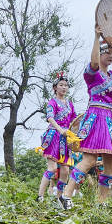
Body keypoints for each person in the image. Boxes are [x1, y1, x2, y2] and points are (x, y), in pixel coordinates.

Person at [60, 24, 112, 209]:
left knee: (111, 164)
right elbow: (93, 61)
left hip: (109, 120)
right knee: (89, 160)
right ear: (100, 53)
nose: (111, 55)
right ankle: (66, 195)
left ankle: (102, 202)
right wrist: (96, 38)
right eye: (108, 52)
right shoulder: (92, 74)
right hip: (95, 118)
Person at [36, 72, 77, 201]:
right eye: (61, 85)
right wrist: (60, 130)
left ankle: (60, 198)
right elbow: (50, 118)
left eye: (66, 85)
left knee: (65, 170)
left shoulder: (70, 104)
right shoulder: (52, 102)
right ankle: (40, 196)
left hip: (66, 139)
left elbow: (74, 121)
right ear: (55, 87)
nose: (64, 87)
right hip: (54, 135)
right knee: (52, 168)